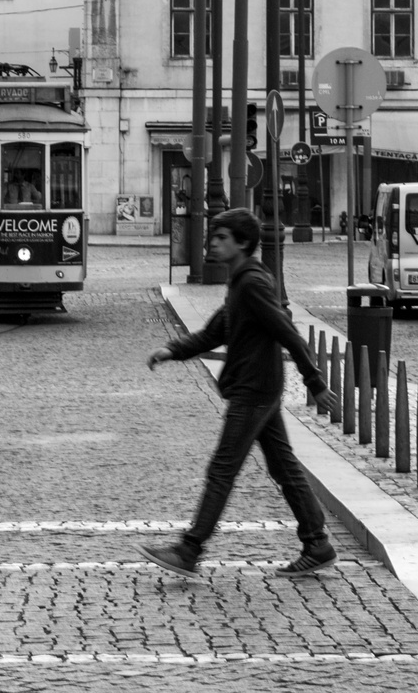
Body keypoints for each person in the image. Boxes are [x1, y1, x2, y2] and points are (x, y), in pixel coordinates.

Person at [139, 207, 340, 579]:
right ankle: (317, 543)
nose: (213, 243)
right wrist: (172, 350)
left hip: (254, 392)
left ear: (243, 243)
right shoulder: (241, 282)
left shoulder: (251, 283)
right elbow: (215, 331)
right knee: (284, 468)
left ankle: (189, 549)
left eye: (222, 238)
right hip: (261, 388)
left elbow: (287, 331)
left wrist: (315, 383)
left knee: (222, 469)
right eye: (213, 236)